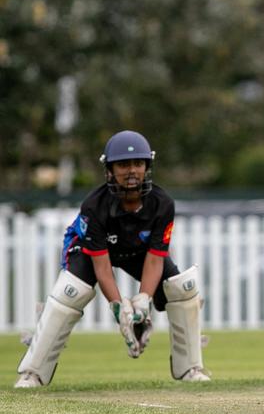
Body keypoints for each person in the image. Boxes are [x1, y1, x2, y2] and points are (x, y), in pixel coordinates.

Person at [15, 130, 210, 387]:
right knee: (70, 292)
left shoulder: (162, 204)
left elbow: (155, 259)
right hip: (89, 250)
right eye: (123, 164)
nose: (132, 171)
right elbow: (102, 267)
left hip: (137, 250)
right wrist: (120, 310)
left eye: (138, 163)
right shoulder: (94, 206)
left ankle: (191, 368)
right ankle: (33, 372)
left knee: (183, 288)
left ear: (147, 166)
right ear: (109, 169)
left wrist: (142, 302)